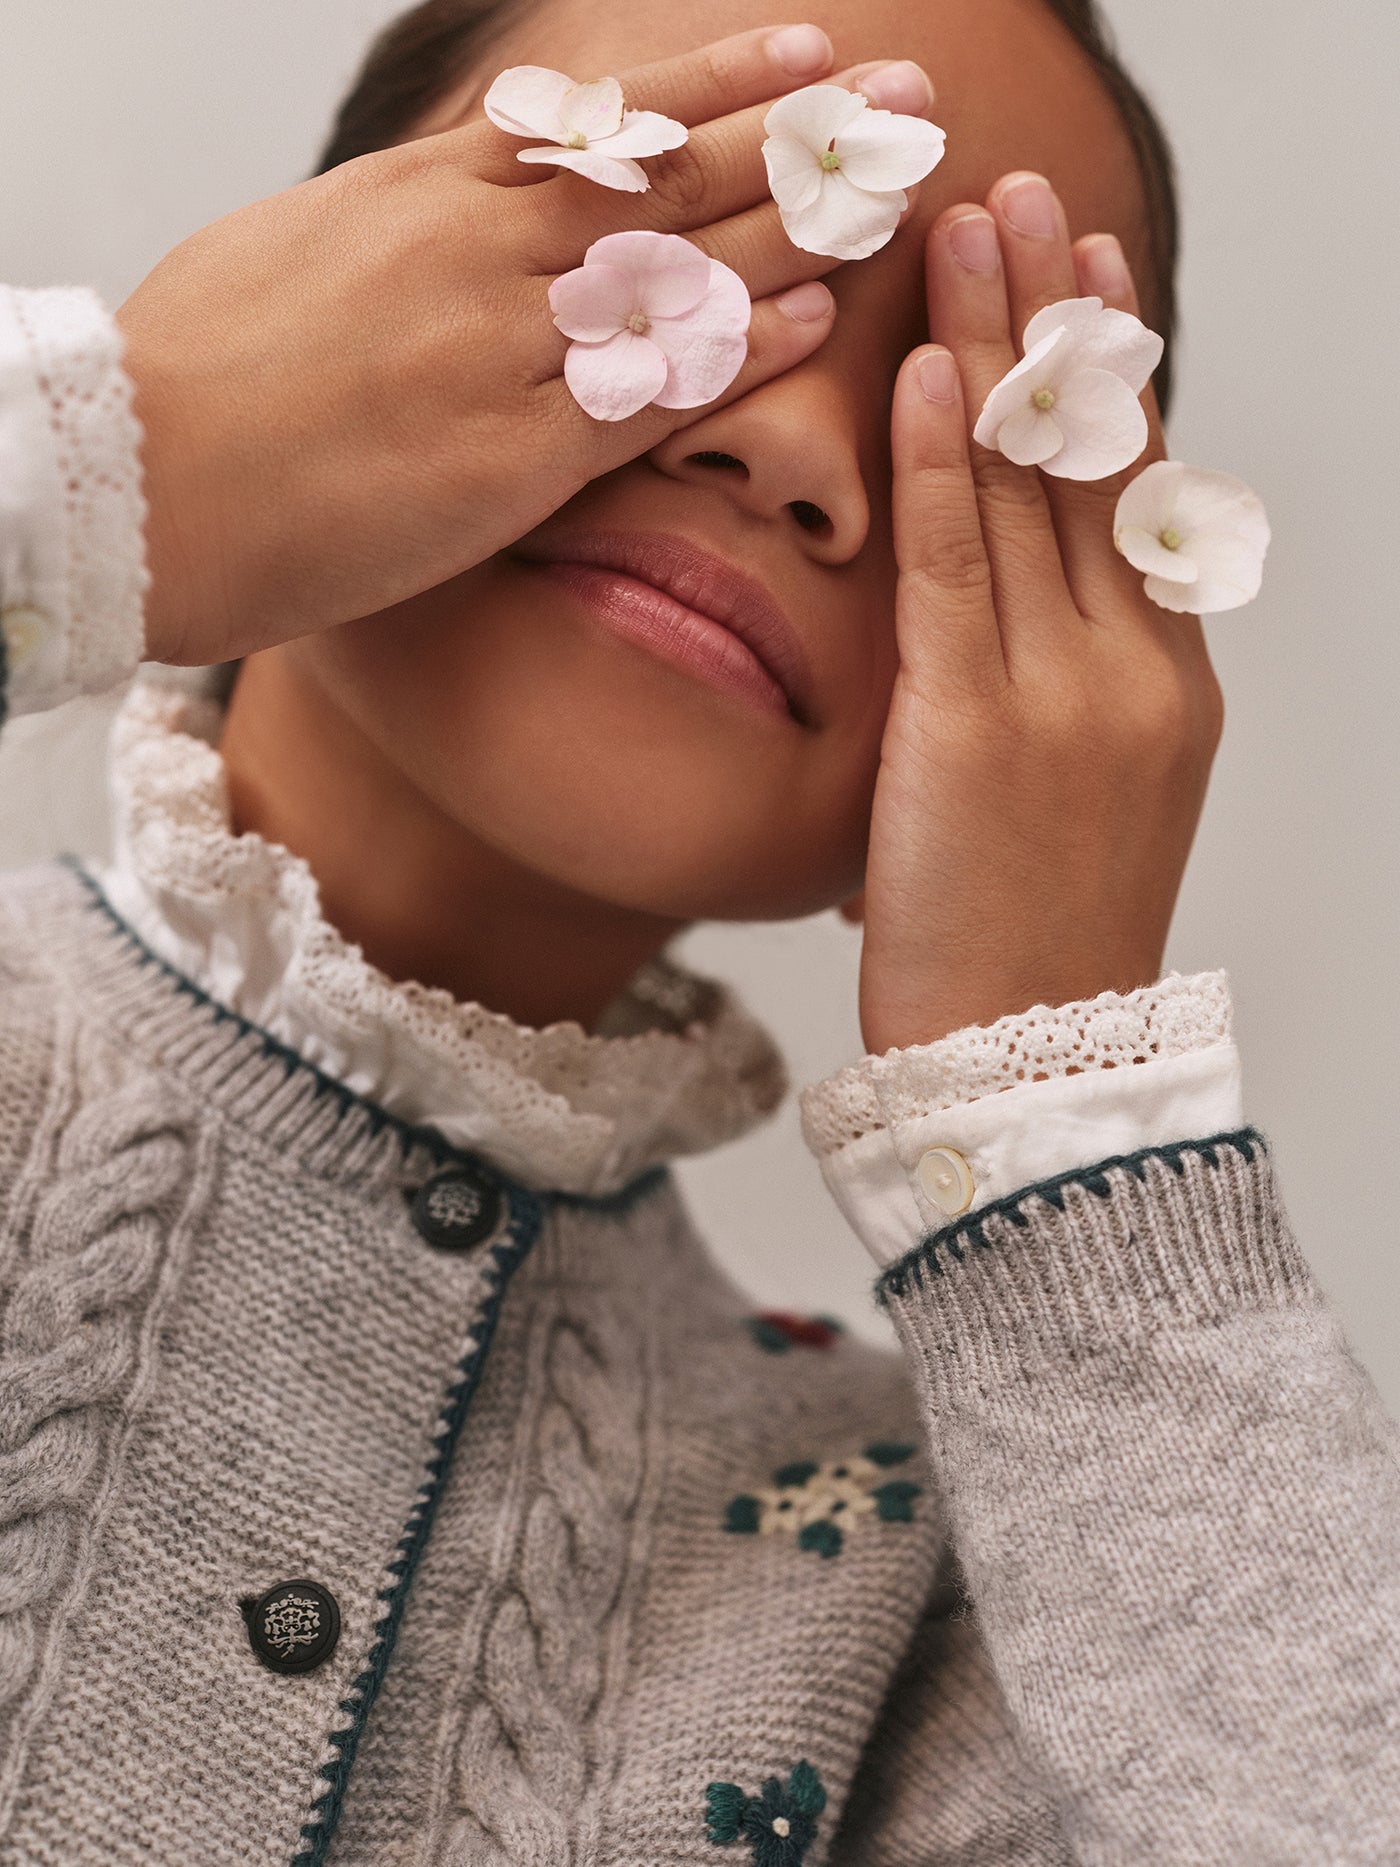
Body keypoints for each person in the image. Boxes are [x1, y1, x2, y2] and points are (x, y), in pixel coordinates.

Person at [0, 0, 1395, 1861]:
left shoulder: (947, 1581)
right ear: (315, 296)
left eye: (959, 432)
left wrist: (1061, 1106)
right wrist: (87, 479)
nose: (802, 447)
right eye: (667, 230)